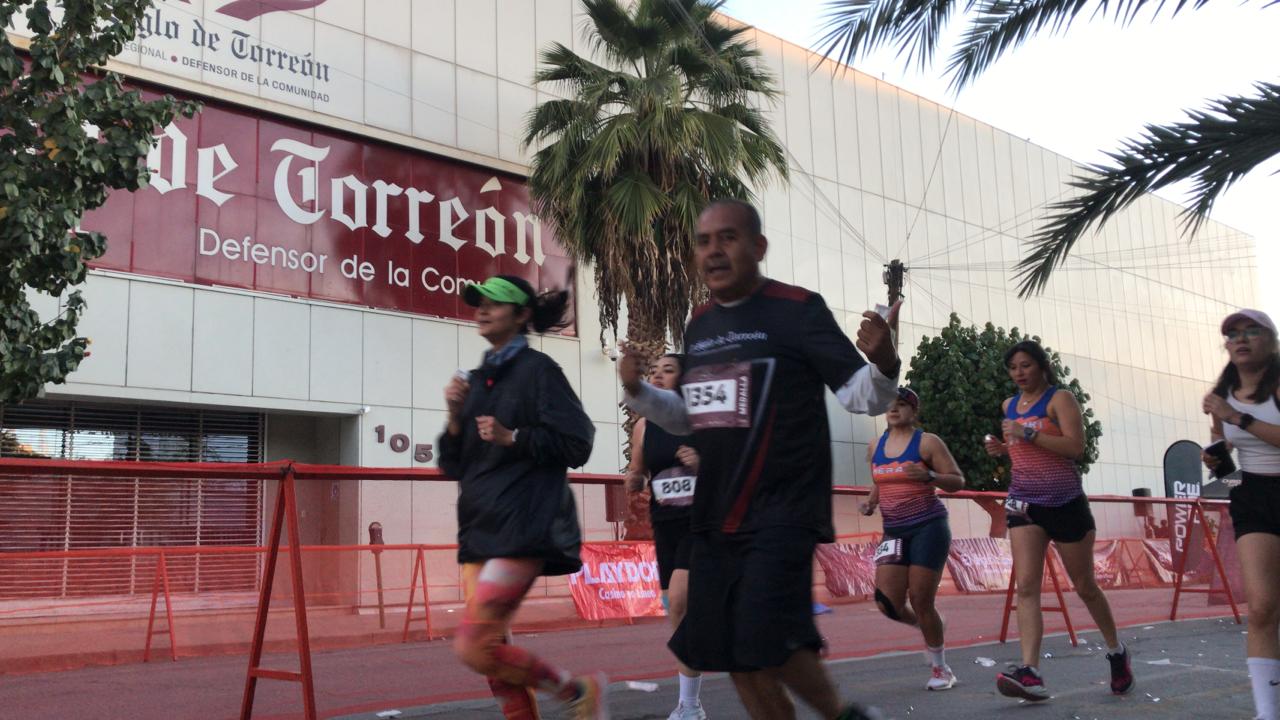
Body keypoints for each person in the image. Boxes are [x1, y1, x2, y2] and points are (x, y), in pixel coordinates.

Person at [620, 198, 900, 720]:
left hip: (783, 510)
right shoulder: (699, 323)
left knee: (762, 634)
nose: (713, 252)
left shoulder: (798, 309)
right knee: (735, 654)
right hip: (714, 517)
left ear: (758, 247)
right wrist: (639, 393)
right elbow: (690, 417)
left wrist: (884, 360)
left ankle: (840, 714)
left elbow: (865, 396)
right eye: (703, 242)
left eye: (727, 238)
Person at [439, 274, 605, 720]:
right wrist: (455, 418)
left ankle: (575, 691)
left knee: (474, 645)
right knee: (492, 657)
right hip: (481, 529)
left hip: (526, 524)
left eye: (496, 302)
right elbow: (453, 465)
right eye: (479, 301)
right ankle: (569, 696)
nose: (483, 308)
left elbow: (578, 442)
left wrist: (515, 438)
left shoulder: (540, 372)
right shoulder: (474, 381)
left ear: (522, 314)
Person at [983, 340, 1133, 701]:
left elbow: (1075, 447)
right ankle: (1030, 671)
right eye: (1013, 368)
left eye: (1026, 366)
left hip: (1064, 502)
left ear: (1041, 367)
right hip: (1024, 502)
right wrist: (1004, 449)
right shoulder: (1008, 406)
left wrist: (1029, 434)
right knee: (1027, 586)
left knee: (1084, 586)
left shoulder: (1059, 399)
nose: (1019, 373)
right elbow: (1022, 449)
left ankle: (1116, 652)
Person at [1201, 309, 1280, 720]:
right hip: (1253, 495)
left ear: (1271, 340)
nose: (1241, 338)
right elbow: (1223, 452)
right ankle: (1268, 712)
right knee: (1263, 606)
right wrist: (1216, 458)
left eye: (1252, 331)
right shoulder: (1222, 395)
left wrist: (1238, 419)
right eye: (1232, 334)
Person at [860, 387, 964, 691]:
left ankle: (941, 668)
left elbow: (958, 480)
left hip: (928, 526)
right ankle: (929, 625)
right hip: (894, 530)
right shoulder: (875, 446)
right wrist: (870, 502)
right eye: (890, 405)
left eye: (902, 405)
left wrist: (929, 477)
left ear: (913, 412)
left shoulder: (928, 443)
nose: (894, 409)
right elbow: (880, 482)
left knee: (920, 599)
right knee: (887, 603)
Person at [623, 353, 706, 720]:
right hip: (666, 524)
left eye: (667, 370)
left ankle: (689, 706)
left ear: (685, 379)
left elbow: (736, 467)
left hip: (702, 521)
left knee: (680, 600)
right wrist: (634, 479)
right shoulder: (643, 425)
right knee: (677, 611)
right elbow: (637, 470)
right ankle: (692, 700)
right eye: (653, 371)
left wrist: (704, 465)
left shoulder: (702, 420)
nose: (657, 376)